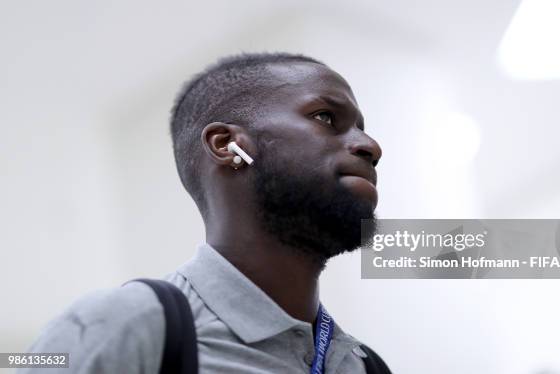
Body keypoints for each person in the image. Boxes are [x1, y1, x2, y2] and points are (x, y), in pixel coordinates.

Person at [21, 52, 387, 373]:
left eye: (362, 129)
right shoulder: (117, 326)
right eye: (325, 117)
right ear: (228, 146)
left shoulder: (363, 364)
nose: (371, 146)